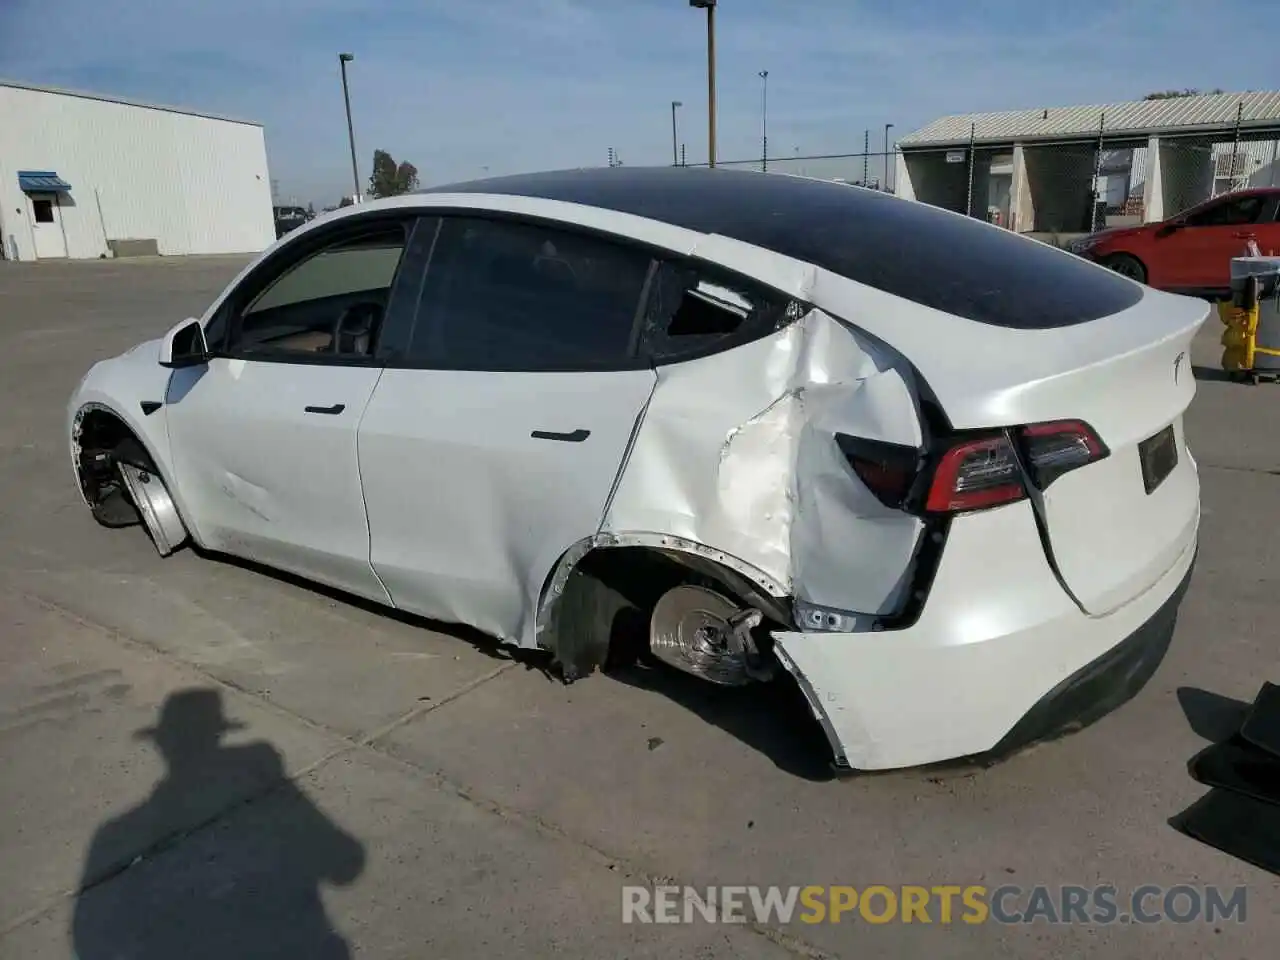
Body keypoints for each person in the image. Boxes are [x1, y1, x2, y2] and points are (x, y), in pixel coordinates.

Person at [72, 689, 365, 959]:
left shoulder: (116, 834)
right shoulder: (261, 782)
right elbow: (345, 864)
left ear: (164, 744)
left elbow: (93, 938)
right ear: (217, 735)